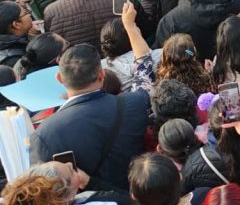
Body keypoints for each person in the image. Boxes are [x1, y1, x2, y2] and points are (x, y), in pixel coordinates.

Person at [30, 42, 152, 191]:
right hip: (139, 194)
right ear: (102, 74)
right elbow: (144, 80)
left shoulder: (44, 134)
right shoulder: (135, 104)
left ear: (59, 78)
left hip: (89, 204)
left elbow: (44, 191)